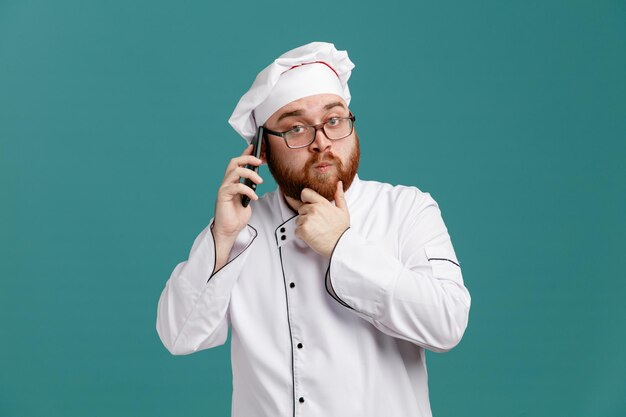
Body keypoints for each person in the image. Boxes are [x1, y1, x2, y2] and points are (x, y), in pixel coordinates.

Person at [156, 42, 471, 417]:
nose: (322, 142)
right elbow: (179, 335)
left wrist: (342, 246)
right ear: (262, 151)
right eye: (297, 128)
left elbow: (447, 324)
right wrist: (220, 238)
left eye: (334, 120)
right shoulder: (241, 228)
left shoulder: (406, 210)